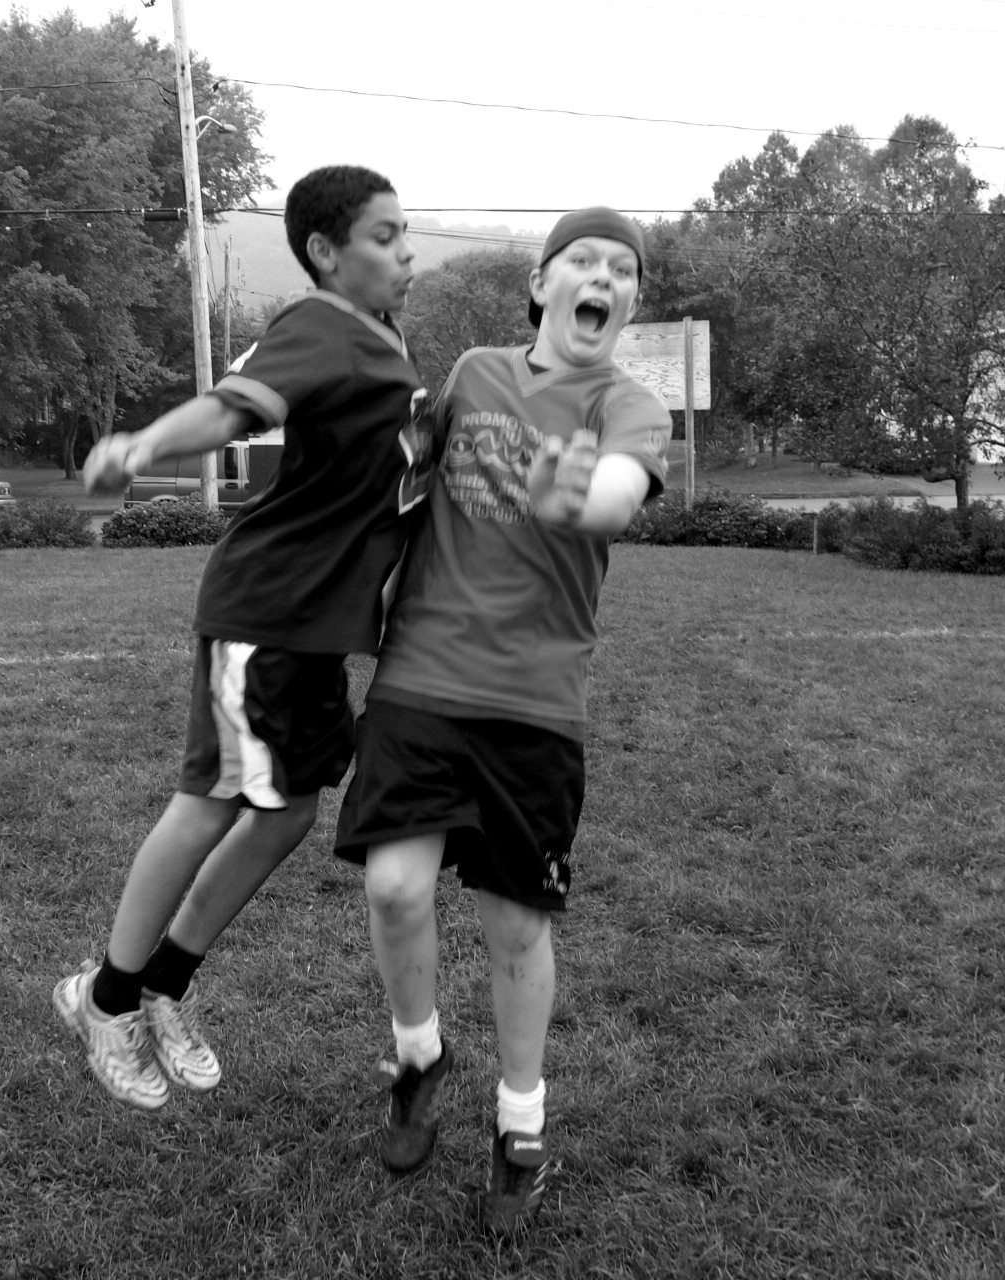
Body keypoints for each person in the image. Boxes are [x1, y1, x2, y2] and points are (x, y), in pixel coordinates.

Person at [53, 164, 433, 1111]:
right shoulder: (320, 325)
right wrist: (144, 446)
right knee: (211, 802)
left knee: (288, 811)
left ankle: (165, 984)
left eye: (405, 233)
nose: (407, 252)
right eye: (385, 235)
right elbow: (231, 407)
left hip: (318, 626)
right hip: (268, 613)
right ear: (326, 252)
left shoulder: (383, 337)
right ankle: (104, 1000)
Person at [333, 208, 669, 1233]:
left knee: (516, 928)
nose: (603, 277)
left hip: (536, 701)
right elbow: (396, 465)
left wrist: (573, 493)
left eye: (622, 269)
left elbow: (616, 496)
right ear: (541, 283)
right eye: (584, 260)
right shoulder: (475, 372)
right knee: (394, 886)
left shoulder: (630, 405)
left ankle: (520, 1126)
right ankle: (419, 1055)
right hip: (421, 676)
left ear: (629, 302)